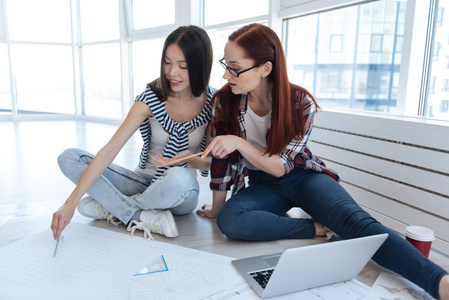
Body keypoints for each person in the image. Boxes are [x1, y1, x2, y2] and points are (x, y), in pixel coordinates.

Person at [197, 23, 449, 299]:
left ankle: (440, 282)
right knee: (230, 221)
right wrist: (217, 209)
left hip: (303, 176)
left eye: (234, 67)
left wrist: (239, 142)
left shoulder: (299, 102)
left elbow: (281, 165)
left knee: (358, 223)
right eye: (225, 64)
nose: (225, 74)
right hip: (261, 183)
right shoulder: (224, 101)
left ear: (265, 68)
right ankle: (316, 228)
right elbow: (222, 159)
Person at [51, 25, 215, 241]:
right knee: (69, 157)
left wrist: (189, 160)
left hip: (180, 191)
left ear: (199, 66)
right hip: (143, 179)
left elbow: (212, 162)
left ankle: (114, 208)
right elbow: (110, 150)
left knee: (178, 178)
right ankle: (138, 214)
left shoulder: (213, 103)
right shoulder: (151, 97)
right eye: (167, 62)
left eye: (182, 66)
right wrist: (70, 203)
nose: (171, 72)